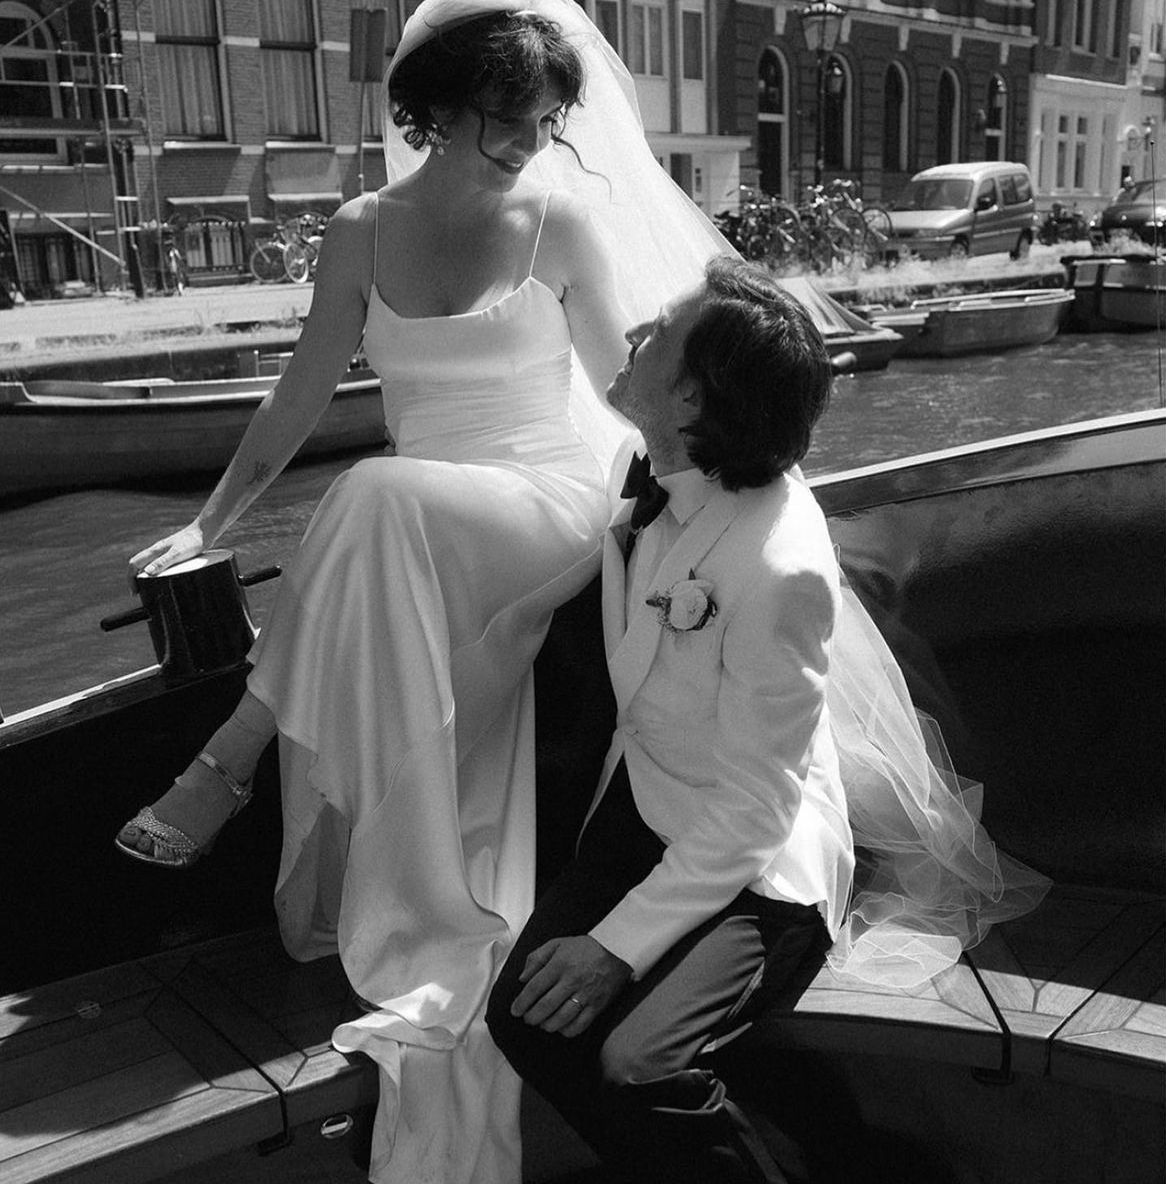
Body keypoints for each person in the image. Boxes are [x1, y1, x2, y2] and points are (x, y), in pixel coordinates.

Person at [116, 0, 1049, 1180]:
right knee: (379, 497)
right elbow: (299, 395)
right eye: (508, 116)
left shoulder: (556, 220)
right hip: (423, 517)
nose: (531, 141)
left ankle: (231, 754)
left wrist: (738, 485)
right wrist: (209, 524)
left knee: (370, 493)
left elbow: (636, 383)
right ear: (439, 106)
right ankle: (259, 771)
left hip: (548, 500)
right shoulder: (358, 230)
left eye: (547, 121)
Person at [487, 256, 852, 1184]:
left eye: (656, 333)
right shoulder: (648, 466)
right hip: (645, 805)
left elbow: (757, 812)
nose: (633, 336)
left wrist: (615, 947)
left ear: (691, 399)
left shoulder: (780, 569)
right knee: (521, 1016)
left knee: (637, 1065)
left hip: (757, 862)